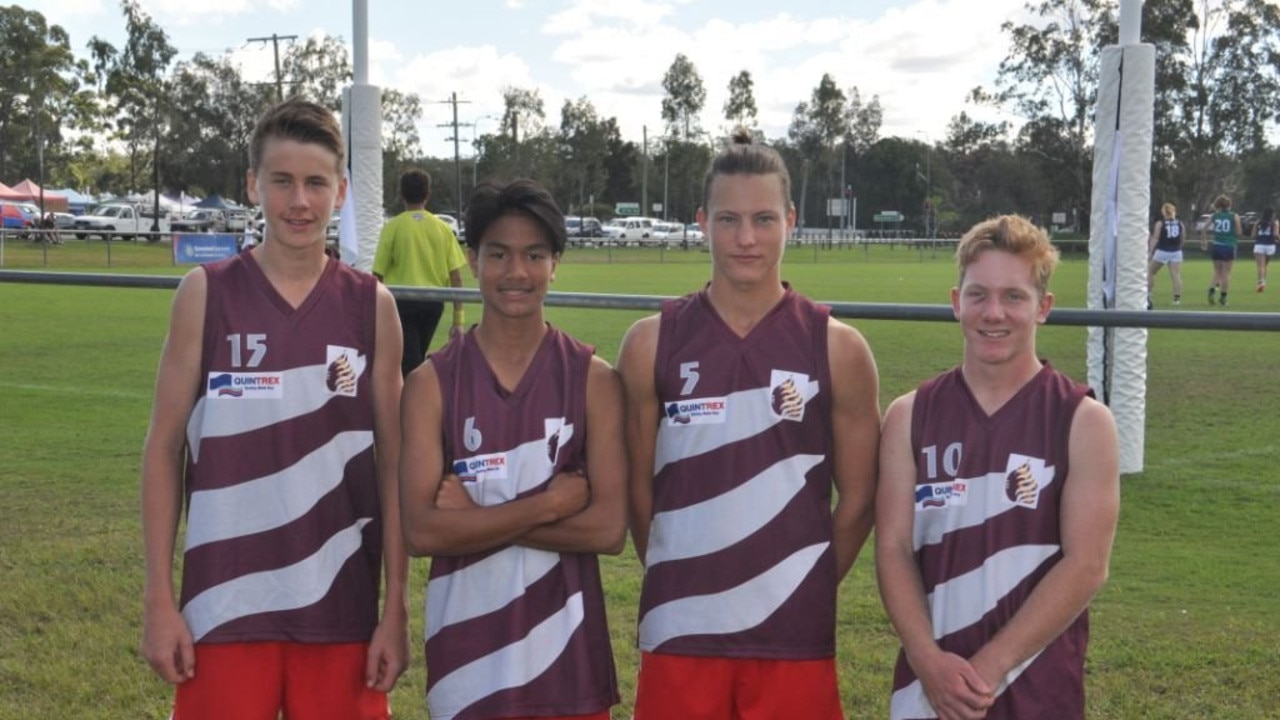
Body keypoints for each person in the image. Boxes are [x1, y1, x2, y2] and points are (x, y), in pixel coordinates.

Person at [139, 97, 409, 720]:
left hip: (341, 610)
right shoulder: (205, 295)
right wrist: (159, 599)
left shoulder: (374, 307)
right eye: (282, 181)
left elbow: (393, 466)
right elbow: (162, 449)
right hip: (224, 606)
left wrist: (395, 608)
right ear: (253, 184)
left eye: (316, 183)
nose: (299, 201)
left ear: (340, 191)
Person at [616, 130, 881, 719]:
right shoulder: (649, 343)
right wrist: (682, 573)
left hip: (792, 637)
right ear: (701, 221)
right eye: (728, 218)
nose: (745, 238)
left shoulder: (838, 348)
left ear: (790, 220)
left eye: (763, 219)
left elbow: (861, 498)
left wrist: (800, 585)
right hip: (681, 628)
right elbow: (637, 488)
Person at [875, 214, 1120, 720]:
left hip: (1037, 691)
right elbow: (893, 548)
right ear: (955, 302)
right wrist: (928, 662)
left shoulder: (1083, 420)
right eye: (978, 294)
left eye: (1014, 296)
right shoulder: (908, 416)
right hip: (928, 691)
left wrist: (984, 671)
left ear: (1043, 307)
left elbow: (1086, 566)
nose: (994, 313)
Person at [399, 178, 626, 720]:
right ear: (473, 260)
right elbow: (421, 532)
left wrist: (477, 519)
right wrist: (548, 505)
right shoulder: (431, 384)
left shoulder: (593, 379)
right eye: (499, 254)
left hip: (568, 666)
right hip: (467, 665)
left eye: (534, 255)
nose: (517, 272)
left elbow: (608, 531)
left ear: (555, 264)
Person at [372, 168, 468, 376]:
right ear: (428, 194)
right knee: (412, 358)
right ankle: (414, 401)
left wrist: (372, 312)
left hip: (402, 303)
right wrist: (458, 320)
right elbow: (456, 276)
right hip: (433, 303)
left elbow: (377, 275)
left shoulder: (393, 227)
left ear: (401, 194)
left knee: (410, 363)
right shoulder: (442, 228)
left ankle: (414, 403)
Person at [1201, 194, 1242, 306]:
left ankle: (1211, 292)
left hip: (1216, 245)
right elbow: (1239, 232)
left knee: (1217, 272)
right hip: (1229, 246)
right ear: (1229, 205)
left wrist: (1204, 242)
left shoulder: (1214, 216)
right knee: (1226, 273)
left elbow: (1204, 229)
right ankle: (1223, 298)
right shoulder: (1234, 216)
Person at [1146, 202, 1185, 308]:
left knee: (1151, 272)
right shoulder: (1180, 223)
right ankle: (1177, 299)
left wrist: (1150, 251)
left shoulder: (1160, 223)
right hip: (1176, 252)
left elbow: (1155, 238)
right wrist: (1179, 248)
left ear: (1163, 212)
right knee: (1176, 275)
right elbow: (1182, 238)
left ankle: (1148, 295)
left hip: (1162, 251)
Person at [1251, 206, 1276, 292]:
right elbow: (1276, 235)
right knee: (1265, 265)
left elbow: (1253, 235)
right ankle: (1263, 283)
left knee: (1260, 266)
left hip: (1259, 245)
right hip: (1270, 246)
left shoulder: (1258, 222)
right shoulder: (1274, 223)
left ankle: (1260, 283)